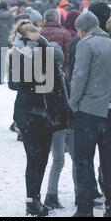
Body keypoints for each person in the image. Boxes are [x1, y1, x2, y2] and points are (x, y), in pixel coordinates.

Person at [69, 11, 111, 217]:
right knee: (109, 161)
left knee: (84, 161)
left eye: (78, 30)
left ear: (82, 29)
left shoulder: (87, 44)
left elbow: (79, 76)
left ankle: (85, 209)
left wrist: (73, 104)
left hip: (89, 110)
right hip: (110, 111)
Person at [7, 19, 63, 217]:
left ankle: (35, 199)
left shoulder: (45, 49)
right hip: (29, 112)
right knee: (35, 159)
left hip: (43, 112)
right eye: (33, 40)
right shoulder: (17, 54)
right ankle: (32, 201)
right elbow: (13, 84)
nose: (36, 43)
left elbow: (56, 80)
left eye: (38, 40)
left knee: (41, 158)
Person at [43, 42, 76, 211]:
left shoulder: (61, 75)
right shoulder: (50, 78)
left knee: (74, 159)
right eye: (57, 63)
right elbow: (56, 103)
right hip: (59, 124)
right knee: (59, 160)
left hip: (67, 122)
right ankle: (51, 195)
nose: (59, 66)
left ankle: (80, 193)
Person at [40, 9, 71, 76]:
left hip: (41, 71)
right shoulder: (65, 34)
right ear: (58, 20)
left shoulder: (39, 33)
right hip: (60, 71)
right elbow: (67, 56)